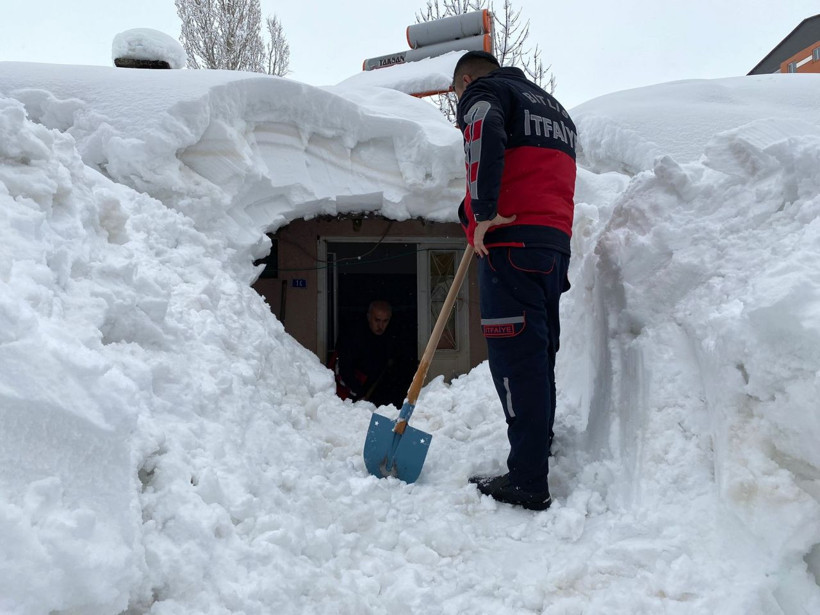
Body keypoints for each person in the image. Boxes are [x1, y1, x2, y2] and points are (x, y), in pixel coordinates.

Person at [453, 51, 576, 511]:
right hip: (551, 246)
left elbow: (481, 125)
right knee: (538, 356)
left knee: (515, 360)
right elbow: (534, 173)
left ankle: (527, 480)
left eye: (457, 95)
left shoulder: (487, 92)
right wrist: (468, 212)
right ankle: (538, 446)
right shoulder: (554, 109)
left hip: (510, 246)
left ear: (466, 81)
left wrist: (483, 211)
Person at [333, 300, 409, 407]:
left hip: (379, 393)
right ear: (369, 317)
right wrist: (359, 393)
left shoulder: (392, 337)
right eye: (377, 320)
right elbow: (344, 369)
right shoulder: (352, 336)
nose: (381, 325)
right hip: (349, 394)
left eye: (385, 321)